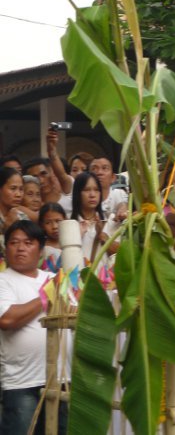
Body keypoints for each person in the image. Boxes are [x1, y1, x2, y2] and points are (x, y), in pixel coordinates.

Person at [0, 220, 67, 434]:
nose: (20, 248)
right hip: (22, 383)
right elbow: (8, 319)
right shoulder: (3, 280)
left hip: (61, 380)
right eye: (14, 242)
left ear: (40, 249)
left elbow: (73, 312)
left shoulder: (53, 278)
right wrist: (48, 294)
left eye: (28, 242)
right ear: (6, 248)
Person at [71, 172, 119, 265]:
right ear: (77, 193)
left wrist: (102, 236)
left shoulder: (111, 221)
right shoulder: (70, 225)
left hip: (105, 279)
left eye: (96, 190)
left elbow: (120, 254)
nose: (92, 195)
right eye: (86, 190)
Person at [38, 202, 67, 267]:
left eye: (58, 221)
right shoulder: (42, 248)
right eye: (48, 223)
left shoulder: (71, 242)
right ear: (42, 225)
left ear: (65, 220)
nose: (54, 226)